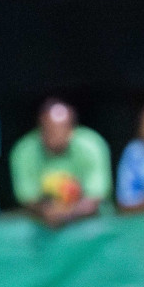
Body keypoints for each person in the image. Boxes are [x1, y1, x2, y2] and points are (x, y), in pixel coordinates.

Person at [10, 98, 111, 228]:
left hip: (91, 225)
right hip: (43, 227)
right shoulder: (24, 151)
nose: (55, 134)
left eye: (61, 128)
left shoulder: (91, 146)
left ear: (72, 129)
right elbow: (27, 197)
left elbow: (96, 195)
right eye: (49, 130)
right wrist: (47, 212)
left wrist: (65, 215)